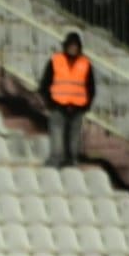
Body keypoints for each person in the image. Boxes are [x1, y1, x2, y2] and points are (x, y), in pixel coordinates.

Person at [39, 32, 95, 168]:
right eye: (71, 46)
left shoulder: (86, 63)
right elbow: (45, 84)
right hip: (58, 105)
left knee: (74, 138)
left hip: (78, 107)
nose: (73, 49)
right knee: (57, 136)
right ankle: (56, 160)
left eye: (76, 46)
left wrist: (86, 105)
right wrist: (50, 103)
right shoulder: (55, 61)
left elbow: (90, 87)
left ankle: (72, 161)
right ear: (66, 46)